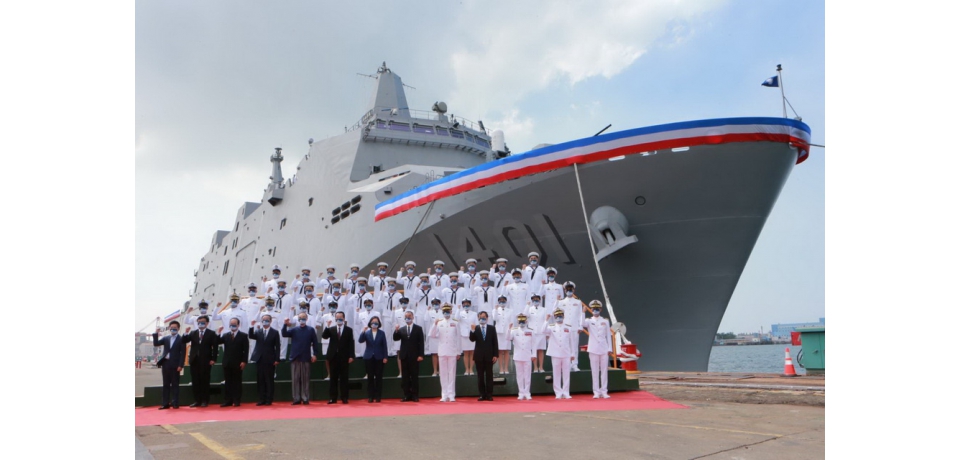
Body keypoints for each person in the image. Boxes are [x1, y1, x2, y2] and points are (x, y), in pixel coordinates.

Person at [282, 312, 321, 405]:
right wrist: (285, 324)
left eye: (303, 318)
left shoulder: (311, 330)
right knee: (295, 379)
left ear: (307, 319)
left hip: (306, 357)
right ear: (297, 319)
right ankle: (296, 398)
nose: (302, 319)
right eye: (300, 318)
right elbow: (284, 334)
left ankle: (305, 398)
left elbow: (315, 343)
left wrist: (315, 354)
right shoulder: (294, 330)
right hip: (295, 357)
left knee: (305, 379)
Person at [184, 315, 218, 407]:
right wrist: (185, 333)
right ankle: (197, 400)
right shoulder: (193, 333)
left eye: (203, 322)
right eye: (199, 322)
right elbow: (184, 340)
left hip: (206, 360)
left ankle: (205, 400)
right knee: (195, 381)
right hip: (194, 360)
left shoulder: (211, 333)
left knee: (204, 381)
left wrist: (213, 359)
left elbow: (215, 347)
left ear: (207, 323)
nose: (201, 324)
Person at [541, 308, 575, 399]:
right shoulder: (551, 327)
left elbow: (572, 341)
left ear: (563, 316)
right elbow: (543, 330)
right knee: (556, 373)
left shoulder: (568, 327)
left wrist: (573, 354)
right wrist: (546, 320)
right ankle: (558, 392)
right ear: (554, 317)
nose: (559, 317)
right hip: (555, 353)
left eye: (560, 315)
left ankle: (566, 392)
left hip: (566, 353)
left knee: (566, 374)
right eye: (557, 316)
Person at [321, 311, 355, 404]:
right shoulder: (331, 329)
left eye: (340, 318)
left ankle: (344, 397)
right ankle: (333, 398)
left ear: (343, 319)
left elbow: (351, 343)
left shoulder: (349, 330)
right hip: (333, 357)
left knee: (344, 378)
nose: (339, 320)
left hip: (344, 357)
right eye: (337, 318)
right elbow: (324, 336)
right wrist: (327, 326)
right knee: (333, 378)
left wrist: (351, 356)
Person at [430, 304, 461, 402]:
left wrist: (458, 351)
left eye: (448, 311)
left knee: (451, 373)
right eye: (444, 312)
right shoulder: (439, 323)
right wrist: (434, 324)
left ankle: (451, 394)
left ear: (451, 312)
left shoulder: (455, 323)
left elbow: (459, 338)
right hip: (442, 350)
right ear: (442, 313)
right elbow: (432, 335)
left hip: (452, 350)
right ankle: (444, 394)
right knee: (443, 373)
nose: (446, 313)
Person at [249, 314, 281, 406]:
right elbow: (251, 336)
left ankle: (269, 399)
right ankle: (261, 399)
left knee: (269, 380)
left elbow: (277, 346)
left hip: (270, 359)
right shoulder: (258, 331)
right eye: (263, 320)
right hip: (260, 359)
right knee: (260, 380)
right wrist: (251, 326)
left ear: (270, 321)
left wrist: (277, 359)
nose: (265, 321)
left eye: (267, 320)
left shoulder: (275, 332)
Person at [393, 310, 424, 402]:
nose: (408, 318)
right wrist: (396, 330)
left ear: (413, 317)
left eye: (409, 316)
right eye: (406, 316)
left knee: (414, 376)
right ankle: (407, 395)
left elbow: (421, 343)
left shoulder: (418, 328)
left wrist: (421, 355)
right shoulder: (402, 329)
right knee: (405, 377)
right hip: (404, 356)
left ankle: (415, 395)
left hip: (415, 356)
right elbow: (395, 338)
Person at [153, 322, 186, 409]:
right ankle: (165, 403)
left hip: (175, 365)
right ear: (169, 328)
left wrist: (181, 365)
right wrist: (156, 333)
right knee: (166, 384)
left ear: (178, 328)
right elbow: (156, 343)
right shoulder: (166, 338)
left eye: (175, 328)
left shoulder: (181, 339)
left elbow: (183, 353)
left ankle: (175, 402)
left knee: (175, 384)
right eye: (171, 327)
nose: (173, 329)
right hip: (166, 363)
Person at [584, 300, 613, 398]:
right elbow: (582, 324)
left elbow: (608, 335)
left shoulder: (605, 321)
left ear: (600, 309)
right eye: (593, 309)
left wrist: (610, 348)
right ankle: (596, 391)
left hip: (604, 348)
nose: (595, 311)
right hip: (593, 348)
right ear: (591, 310)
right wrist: (583, 313)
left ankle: (604, 391)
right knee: (595, 371)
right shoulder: (588, 321)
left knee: (604, 370)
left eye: (597, 309)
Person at [217, 318, 248, 407]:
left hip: (238, 362)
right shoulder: (226, 335)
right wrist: (219, 332)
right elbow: (218, 341)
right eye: (231, 324)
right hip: (227, 362)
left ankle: (236, 400)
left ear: (238, 325)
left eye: (234, 324)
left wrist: (244, 361)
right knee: (228, 382)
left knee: (237, 382)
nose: (232, 325)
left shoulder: (243, 336)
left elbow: (246, 350)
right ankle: (228, 400)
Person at [558, 281, 588, 371]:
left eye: (570, 289)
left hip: (575, 327)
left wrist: (580, 326)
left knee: (574, 346)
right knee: (565, 346)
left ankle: (574, 364)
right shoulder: (561, 302)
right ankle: (566, 364)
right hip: (565, 327)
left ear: (573, 290)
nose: (569, 291)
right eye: (567, 289)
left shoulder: (578, 302)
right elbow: (558, 314)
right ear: (564, 290)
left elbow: (580, 314)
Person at [358, 316, 389, 403]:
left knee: (379, 378)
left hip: (379, 357)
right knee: (370, 377)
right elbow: (360, 340)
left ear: (379, 324)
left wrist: (385, 357)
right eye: (373, 322)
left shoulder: (382, 333)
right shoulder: (367, 332)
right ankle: (370, 396)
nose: (374, 324)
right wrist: (363, 331)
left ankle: (378, 396)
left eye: (376, 322)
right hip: (369, 357)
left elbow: (384, 346)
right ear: (370, 323)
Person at [469, 311, 498, 401]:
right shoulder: (476, 328)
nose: (482, 319)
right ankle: (482, 394)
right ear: (478, 318)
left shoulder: (492, 328)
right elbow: (472, 339)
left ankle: (489, 394)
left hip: (489, 356)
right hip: (479, 356)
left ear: (487, 318)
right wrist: (472, 330)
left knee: (489, 375)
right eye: (481, 317)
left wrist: (495, 355)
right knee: (480, 376)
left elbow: (495, 342)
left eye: (484, 317)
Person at [510, 313, 536, 400]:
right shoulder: (514, 331)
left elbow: (534, 344)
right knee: (520, 375)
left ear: (526, 321)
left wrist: (534, 354)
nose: (521, 323)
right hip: (518, 356)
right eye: (520, 321)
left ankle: (527, 392)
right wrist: (508, 329)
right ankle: (521, 392)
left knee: (527, 375)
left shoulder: (531, 331)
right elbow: (508, 338)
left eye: (523, 321)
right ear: (517, 322)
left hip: (527, 355)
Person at [524, 293, 550, 373]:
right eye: (534, 299)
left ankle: (541, 367)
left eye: (537, 299)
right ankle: (535, 367)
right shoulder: (529, 309)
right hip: (532, 332)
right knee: (533, 350)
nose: (535, 300)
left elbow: (546, 321)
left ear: (540, 300)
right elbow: (524, 315)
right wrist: (527, 305)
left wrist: (547, 333)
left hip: (541, 332)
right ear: (532, 300)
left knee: (541, 350)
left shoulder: (544, 309)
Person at [457, 299, 478, 375]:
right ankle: (466, 369)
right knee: (466, 353)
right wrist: (458, 309)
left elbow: (477, 324)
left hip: (472, 334)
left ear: (470, 305)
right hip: (464, 335)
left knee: (472, 352)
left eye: (467, 304)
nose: (466, 305)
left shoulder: (474, 314)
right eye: (464, 304)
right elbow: (457, 319)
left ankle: (471, 369)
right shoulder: (460, 313)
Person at [493, 295, 513, 374]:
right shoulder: (496, 310)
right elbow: (495, 318)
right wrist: (495, 309)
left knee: (507, 351)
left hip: (507, 332)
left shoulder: (510, 311)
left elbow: (511, 322)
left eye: (503, 300)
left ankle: (506, 368)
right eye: (500, 300)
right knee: (500, 351)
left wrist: (510, 331)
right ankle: (501, 368)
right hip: (499, 332)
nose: (502, 302)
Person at [424, 298, 443, 376]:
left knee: (441, 354)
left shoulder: (443, 312)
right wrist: (427, 311)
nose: (436, 305)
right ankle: (435, 371)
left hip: (441, 334)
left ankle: (441, 371)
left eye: (437, 304)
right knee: (434, 354)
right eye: (434, 304)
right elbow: (425, 319)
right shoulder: (429, 312)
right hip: (433, 334)